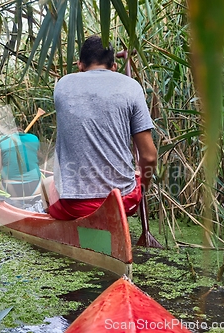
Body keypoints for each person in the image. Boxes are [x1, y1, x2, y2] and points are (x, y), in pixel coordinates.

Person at [45, 35, 157, 220]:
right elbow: (149, 156)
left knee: (49, 185)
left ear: (80, 65)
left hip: (74, 206)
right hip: (123, 202)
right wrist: (142, 188)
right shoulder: (132, 88)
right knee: (136, 175)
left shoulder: (62, 86)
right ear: (114, 66)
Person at [0, 128, 41, 198]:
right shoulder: (34, 138)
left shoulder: (2, 140)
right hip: (34, 186)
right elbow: (37, 159)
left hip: (9, 188)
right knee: (45, 179)